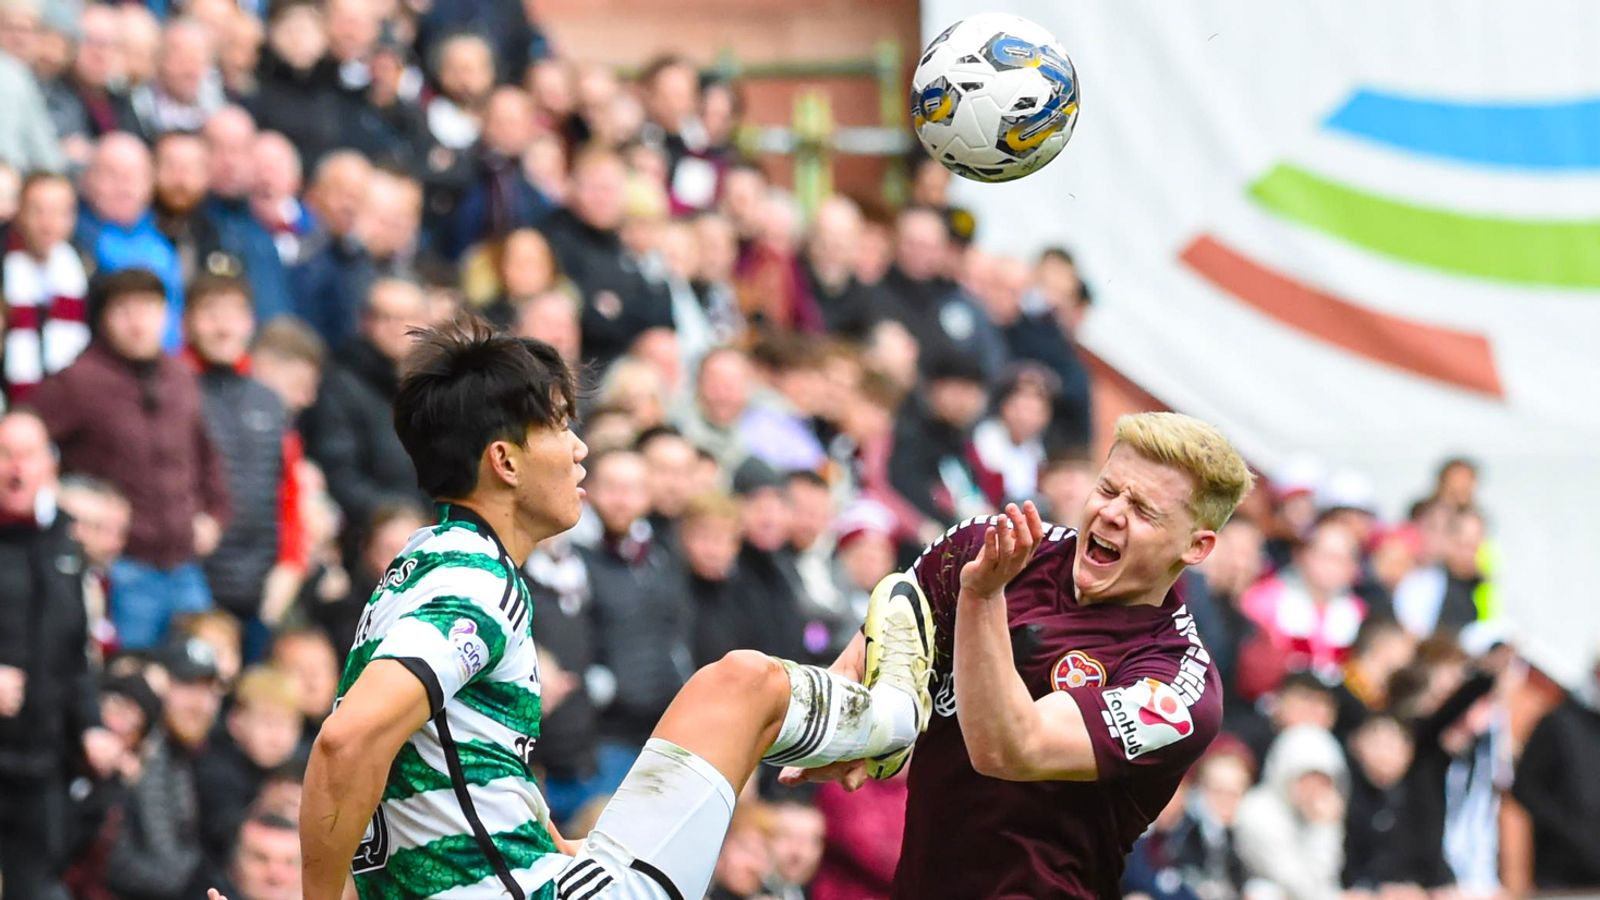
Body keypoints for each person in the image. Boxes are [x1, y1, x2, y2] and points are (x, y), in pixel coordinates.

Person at [283, 318, 935, 900]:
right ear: (505, 461)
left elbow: (430, 757)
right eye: (561, 425)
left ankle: (854, 737)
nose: (580, 448)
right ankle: (897, 717)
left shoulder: (421, 566)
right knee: (739, 685)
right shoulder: (470, 577)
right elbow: (346, 741)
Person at [784, 411, 1253, 899]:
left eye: (1144, 511)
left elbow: (1008, 748)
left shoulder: (1179, 689)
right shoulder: (989, 548)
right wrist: (844, 731)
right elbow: (879, 641)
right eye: (1109, 489)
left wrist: (982, 600)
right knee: (743, 676)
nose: (1113, 513)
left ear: (1196, 547)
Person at [31, 268, 232, 649]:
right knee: (128, 680)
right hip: (121, 569)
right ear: (104, 318)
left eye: (149, 309)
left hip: (185, 566)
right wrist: (66, 506)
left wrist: (215, 515)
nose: (138, 322)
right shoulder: (78, 381)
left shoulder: (181, 377)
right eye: (125, 310)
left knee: (200, 676)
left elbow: (207, 455)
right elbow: (22, 441)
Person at [0, 411, 121, 899]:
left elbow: (76, 657)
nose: (16, 468)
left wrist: (91, 725)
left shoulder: (65, 545)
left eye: (28, 455)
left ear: (49, 466)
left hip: (42, 763)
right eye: (5, 455)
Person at [183, 274, 291, 657]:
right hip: (192, 580)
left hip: (262, 585)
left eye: (234, 313)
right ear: (187, 321)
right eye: (210, 313)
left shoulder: (271, 401)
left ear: (250, 323)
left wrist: (290, 564)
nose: (223, 326)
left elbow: (290, 490)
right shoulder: (172, 388)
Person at [300, 277, 429, 556]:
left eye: (408, 318)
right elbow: (339, 472)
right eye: (386, 318)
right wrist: (392, 515)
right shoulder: (339, 384)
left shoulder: (436, 388)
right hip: (368, 537)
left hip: (428, 525)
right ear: (365, 321)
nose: (398, 329)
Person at [1, 171, 89, 404]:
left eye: (59, 213)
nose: (48, 224)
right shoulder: (5, 264)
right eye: (37, 211)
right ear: (18, 212)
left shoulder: (84, 268)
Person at [1233, 725, 1349, 900]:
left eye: (1322, 780)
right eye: (1306, 778)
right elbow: (1302, 887)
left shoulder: (1324, 810)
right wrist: (1324, 828)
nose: (1314, 789)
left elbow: (1329, 882)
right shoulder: (1258, 812)